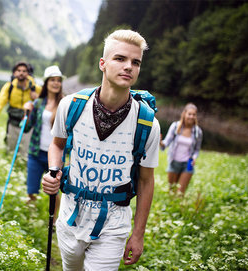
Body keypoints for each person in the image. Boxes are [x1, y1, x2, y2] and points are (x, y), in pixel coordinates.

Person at [42, 29, 160, 270]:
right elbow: (57, 144)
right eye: (120, 58)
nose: (129, 66)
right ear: (102, 64)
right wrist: (54, 171)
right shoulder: (71, 105)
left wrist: (138, 234)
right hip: (71, 217)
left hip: (114, 224)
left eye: (135, 62)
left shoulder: (147, 123)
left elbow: (147, 181)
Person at [22, 65, 64, 209]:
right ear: (46, 83)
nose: (56, 83)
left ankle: (53, 222)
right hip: (35, 152)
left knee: (54, 192)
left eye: (58, 80)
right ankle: (31, 216)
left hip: (55, 155)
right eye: (52, 80)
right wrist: (26, 112)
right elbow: (26, 128)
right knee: (31, 189)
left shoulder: (65, 104)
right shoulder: (38, 103)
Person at [0, 62, 41, 155]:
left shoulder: (35, 88)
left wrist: (37, 97)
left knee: (25, 152)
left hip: (28, 124)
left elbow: (46, 101)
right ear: (14, 73)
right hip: (13, 122)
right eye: (18, 70)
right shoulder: (9, 86)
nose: (21, 73)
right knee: (11, 149)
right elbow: (1, 100)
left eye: (24, 71)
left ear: (28, 73)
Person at [160, 103, 203, 194]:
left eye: (194, 115)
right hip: (174, 162)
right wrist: (160, 142)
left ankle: (179, 206)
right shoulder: (175, 126)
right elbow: (166, 142)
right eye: (189, 114)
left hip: (187, 164)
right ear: (184, 114)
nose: (191, 117)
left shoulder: (197, 132)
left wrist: (194, 157)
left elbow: (197, 149)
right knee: (172, 191)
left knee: (180, 193)